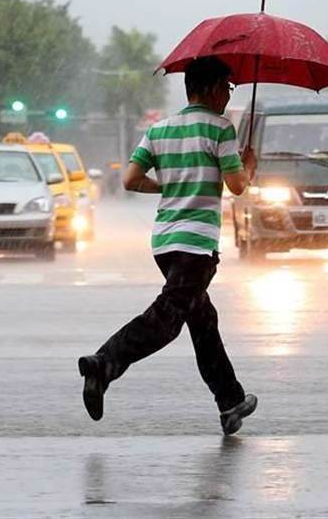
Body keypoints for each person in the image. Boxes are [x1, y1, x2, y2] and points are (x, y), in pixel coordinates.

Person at [77, 56, 259, 436]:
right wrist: (249, 168)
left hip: (165, 243)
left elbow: (130, 179)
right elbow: (237, 186)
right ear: (210, 89)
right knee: (167, 321)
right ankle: (104, 364)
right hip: (196, 244)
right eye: (227, 87)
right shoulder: (221, 129)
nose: (228, 95)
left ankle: (230, 400)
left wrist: (171, 185)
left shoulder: (160, 130)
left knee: (203, 320)